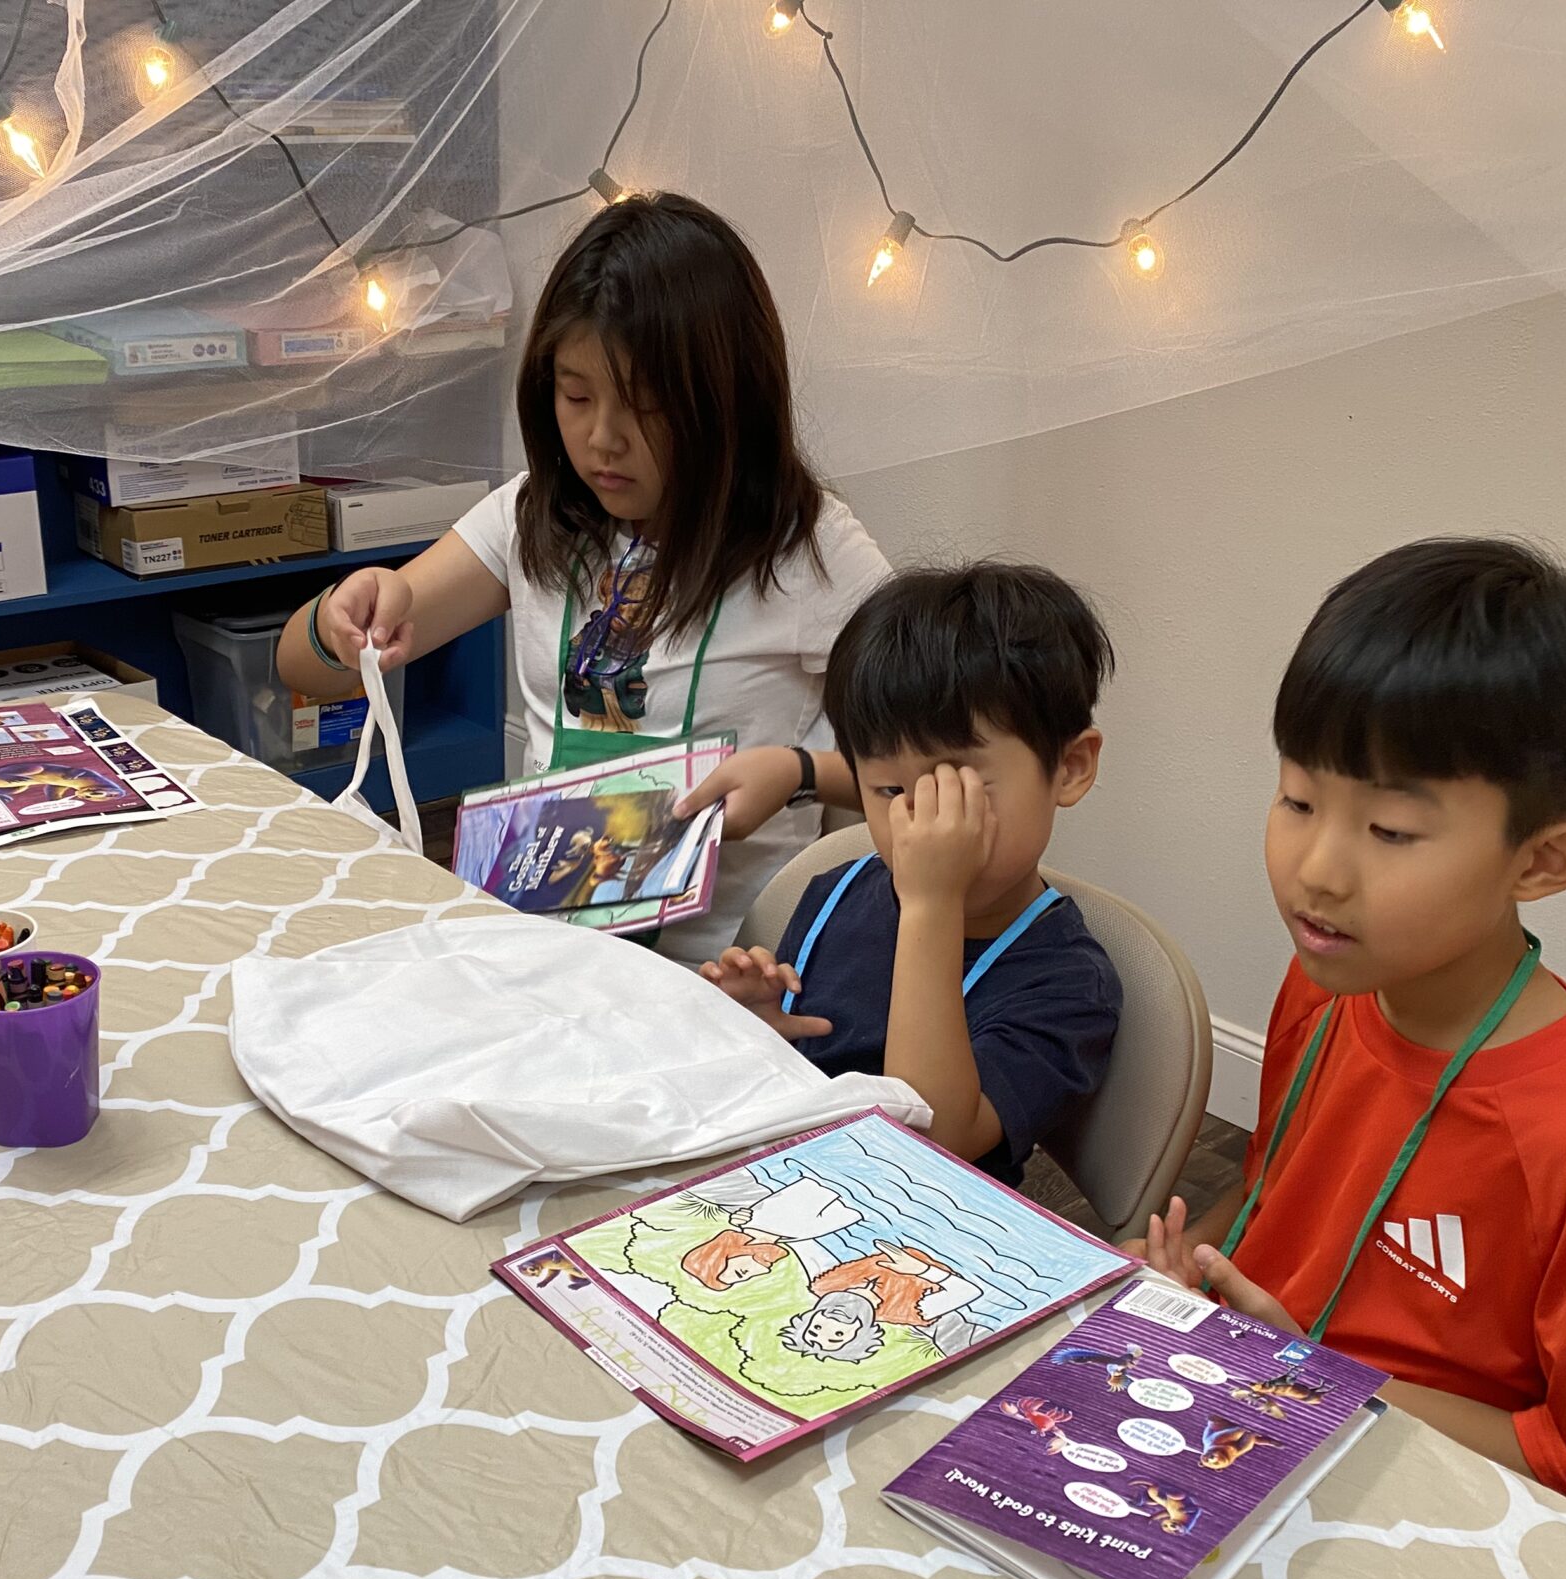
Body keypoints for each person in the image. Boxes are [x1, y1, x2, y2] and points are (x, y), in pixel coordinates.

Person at [1138, 537, 1566, 1554]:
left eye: (1390, 831)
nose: (1317, 869)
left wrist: (1317, 1379)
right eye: (1297, 799)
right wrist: (1191, 1276)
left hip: (1418, 1520)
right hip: (1239, 1424)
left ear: (1543, 861)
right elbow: (1275, 1191)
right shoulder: (1327, 985)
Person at [276, 192, 893, 958]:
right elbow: (304, 669)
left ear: (726, 399)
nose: (602, 438)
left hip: (721, 973)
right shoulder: (534, 516)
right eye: (575, 395)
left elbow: (945, 772)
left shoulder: (809, 549)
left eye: (646, 406)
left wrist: (801, 773)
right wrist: (346, 615)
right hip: (546, 948)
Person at [701, 565, 1123, 1187]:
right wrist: (759, 1029)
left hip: (924, 1224)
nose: (922, 821)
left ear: (1070, 767)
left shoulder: (1068, 983)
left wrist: (931, 903)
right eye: (891, 791)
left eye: (955, 788)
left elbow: (928, 1141)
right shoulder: (835, 891)